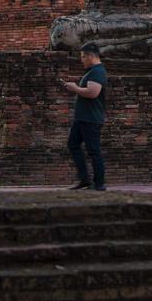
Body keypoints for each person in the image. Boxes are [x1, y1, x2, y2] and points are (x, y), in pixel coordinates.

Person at [63, 41, 107, 191]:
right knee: (73, 144)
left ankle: (99, 183)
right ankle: (84, 179)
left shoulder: (97, 72)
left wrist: (75, 88)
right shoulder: (92, 72)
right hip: (82, 118)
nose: (81, 60)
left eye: (82, 57)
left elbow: (93, 92)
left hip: (91, 119)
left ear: (90, 56)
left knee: (93, 150)